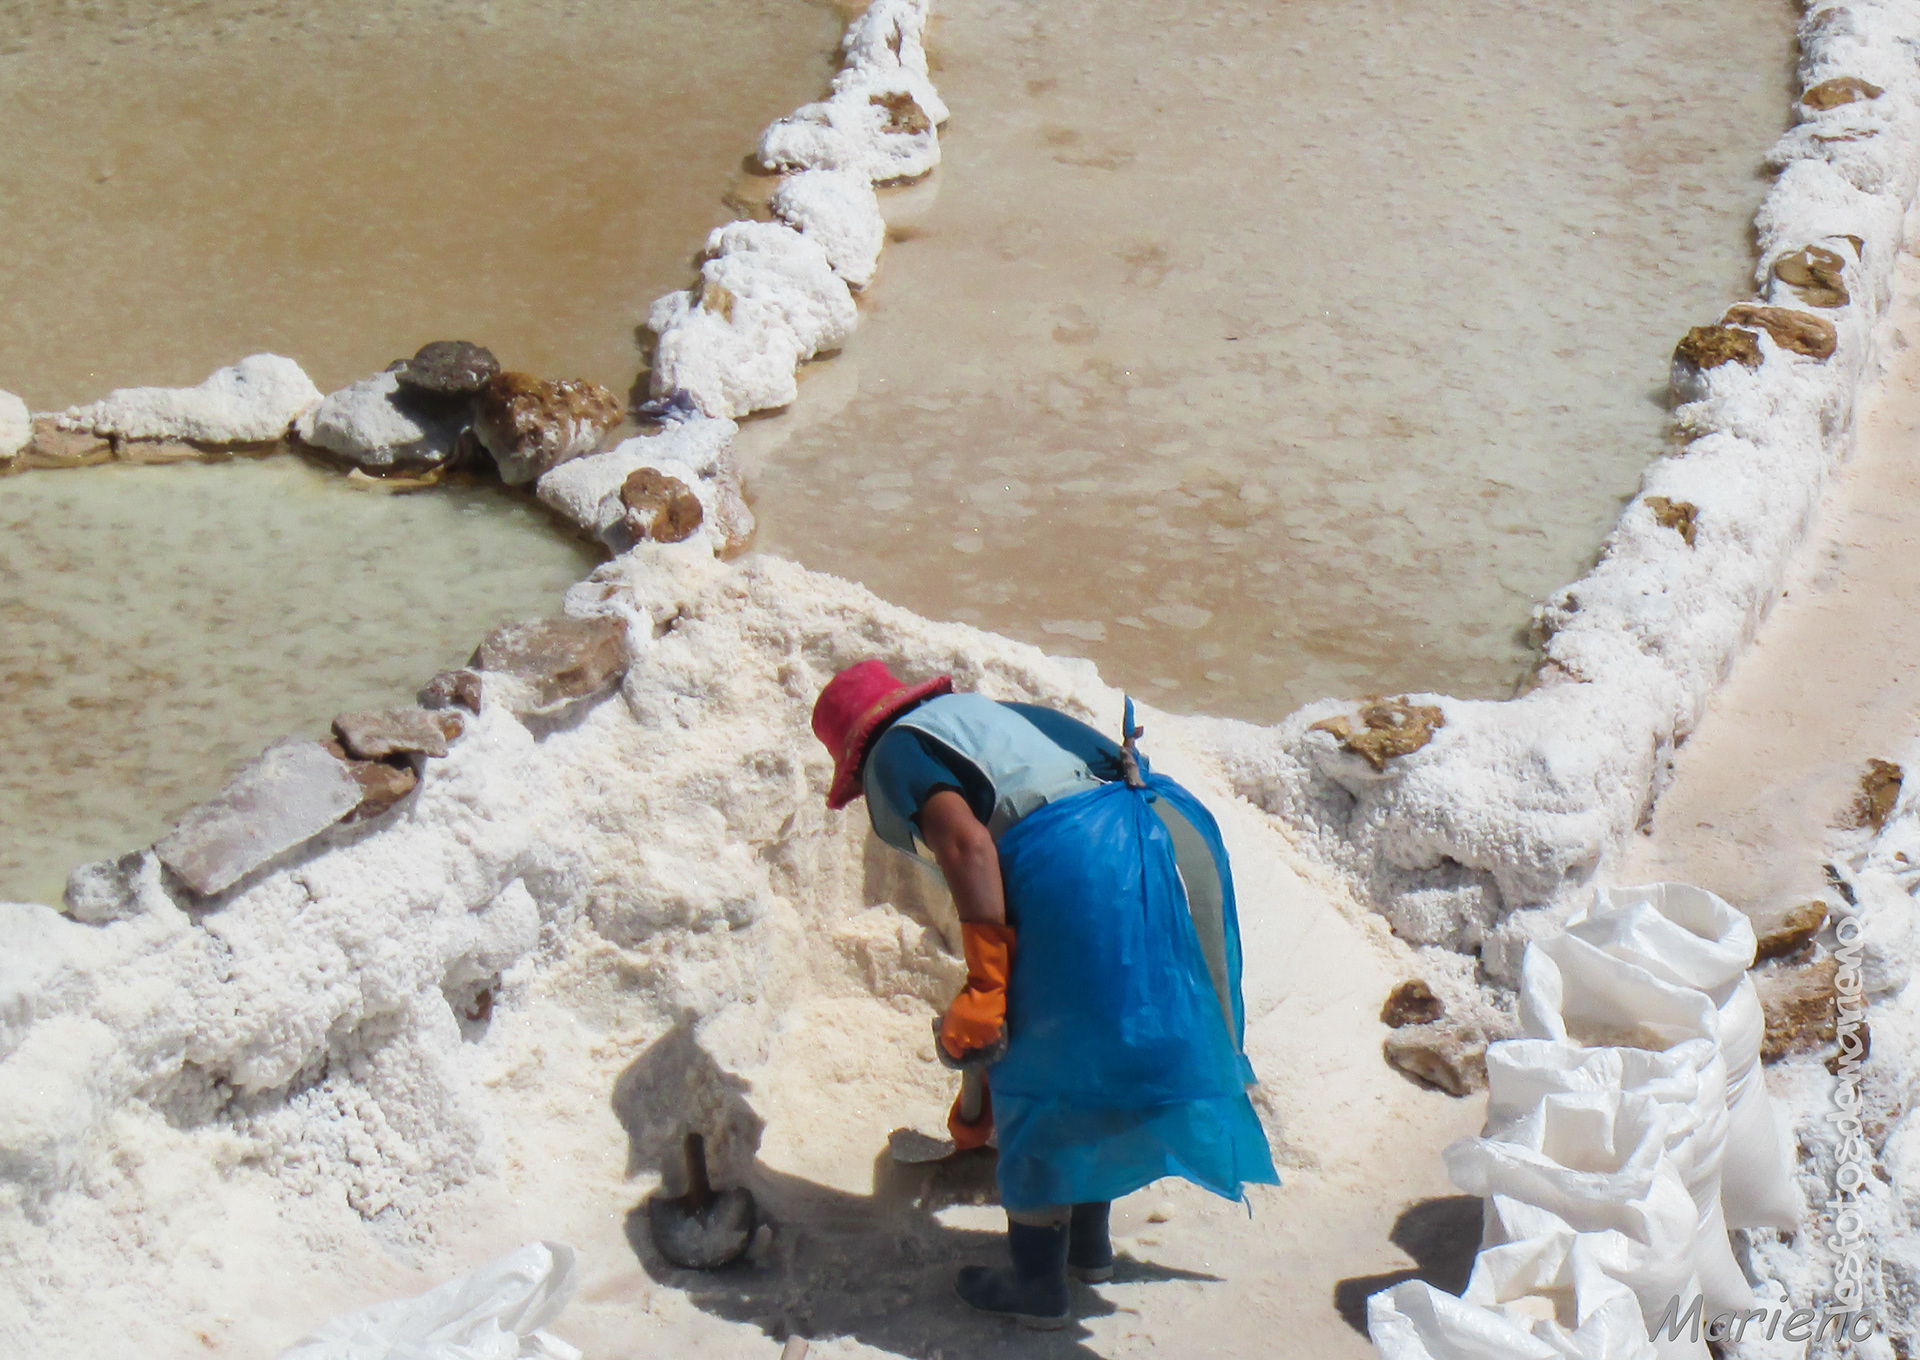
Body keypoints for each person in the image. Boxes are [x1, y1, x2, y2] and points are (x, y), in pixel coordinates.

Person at [810, 659, 1279, 1329]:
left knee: (1041, 1065)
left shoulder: (898, 751)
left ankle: (1036, 1284)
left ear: (856, 758)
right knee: (1098, 1054)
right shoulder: (987, 719)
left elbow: (970, 848)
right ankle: (1089, 1248)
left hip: (1087, 858)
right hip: (1171, 835)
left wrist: (987, 985)